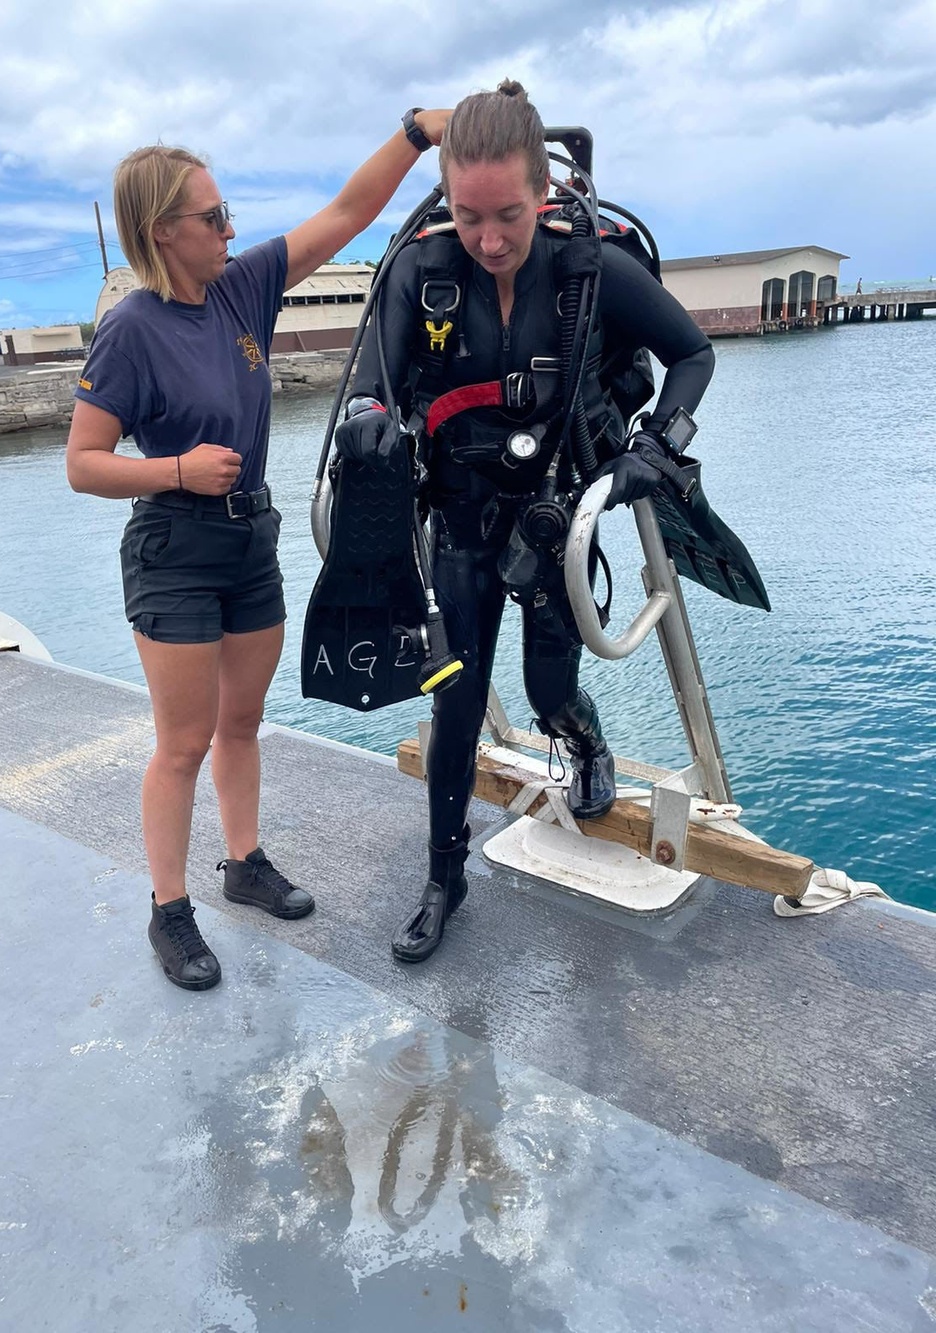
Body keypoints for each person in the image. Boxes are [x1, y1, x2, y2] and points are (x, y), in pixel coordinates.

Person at [66, 107, 451, 991]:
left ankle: (243, 864)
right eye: (212, 217)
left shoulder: (243, 287)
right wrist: (174, 470)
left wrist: (417, 133)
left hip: (252, 538)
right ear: (166, 231)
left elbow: (350, 212)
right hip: (175, 547)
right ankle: (170, 911)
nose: (229, 227)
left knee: (242, 723)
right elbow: (83, 464)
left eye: (227, 210)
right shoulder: (131, 328)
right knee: (183, 742)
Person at [331, 81, 714, 962]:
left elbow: (692, 354)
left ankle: (582, 741)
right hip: (457, 532)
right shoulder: (418, 274)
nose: (491, 240)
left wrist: (655, 446)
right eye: (469, 218)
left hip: (551, 527)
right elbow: (368, 388)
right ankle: (441, 880)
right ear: (447, 204)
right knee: (455, 708)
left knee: (546, 690)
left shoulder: (591, 270)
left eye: (509, 214)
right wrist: (366, 425)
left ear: (543, 194)